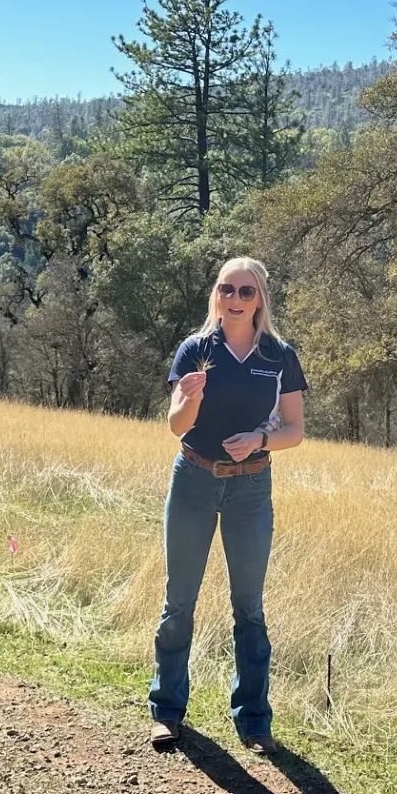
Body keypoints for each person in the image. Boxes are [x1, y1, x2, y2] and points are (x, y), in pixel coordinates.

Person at [149, 256, 306, 755]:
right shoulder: (196, 350)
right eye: (226, 290)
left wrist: (259, 441)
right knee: (179, 603)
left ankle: (254, 721)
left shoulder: (279, 355)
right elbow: (176, 425)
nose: (234, 300)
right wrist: (190, 400)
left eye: (245, 291)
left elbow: (295, 431)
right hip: (193, 478)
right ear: (215, 296)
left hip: (251, 489)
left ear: (260, 299)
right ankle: (167, 711)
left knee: (249, 608)